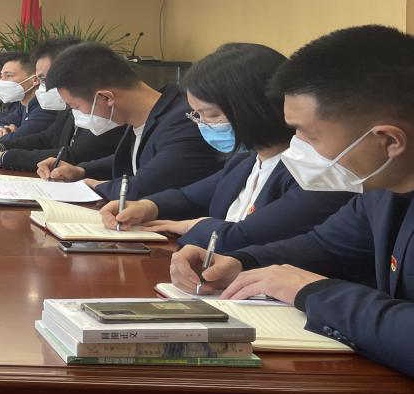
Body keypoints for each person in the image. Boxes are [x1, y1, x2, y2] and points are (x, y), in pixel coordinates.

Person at [170, 25, 414, 394]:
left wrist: (312, 291)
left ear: (388, 140)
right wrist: (240, 261)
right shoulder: (382, 188)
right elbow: (326, 245)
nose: (296, 148)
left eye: (307, 134)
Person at [99, 43, 349, 248]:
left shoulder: (312, 173)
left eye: (211, 115)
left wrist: (193, 226)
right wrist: (146, 207)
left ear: (254, 109)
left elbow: (243, 236)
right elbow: (188, 197)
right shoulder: (246, 160)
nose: (203, 124)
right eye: (196, 115)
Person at [37, 41, 223, 200]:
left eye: (75, 107)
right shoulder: (144, 115)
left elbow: (143, 186)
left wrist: (90, 185)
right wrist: (81, 171)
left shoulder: (185, 122)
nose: (75, 114)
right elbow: (132, 160)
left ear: (106, 97)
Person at [0, 37, 120, 169]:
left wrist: (2, 157)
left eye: (46, 79)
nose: (43, 85)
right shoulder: (68, 107)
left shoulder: (104, 108)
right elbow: (46, 138)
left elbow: (74, 156)